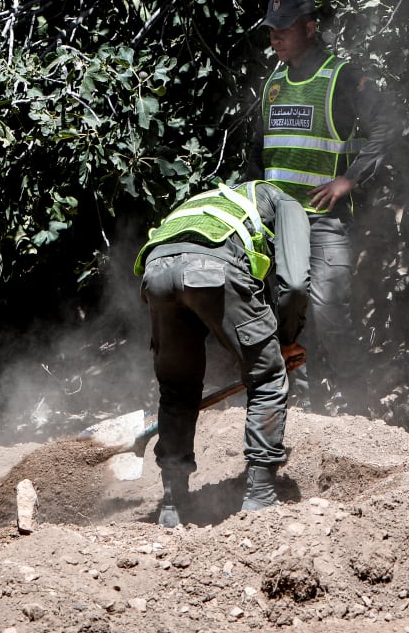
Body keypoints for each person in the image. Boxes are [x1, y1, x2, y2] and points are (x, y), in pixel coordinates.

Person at [248, 0, 397, 415]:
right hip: (278, 224)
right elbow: (258, 154)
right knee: (291, 319)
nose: (275, 37)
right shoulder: (273, 85)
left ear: (310, 28)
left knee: (332, 316)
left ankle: (359, 414)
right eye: (271, 31)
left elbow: (385, 127)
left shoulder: (342, 77)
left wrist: (348, 180)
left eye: (285, 29)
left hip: (325, 223)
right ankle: (302, 414)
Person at [133, 180, 310, 525]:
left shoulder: (212, 200)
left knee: (177, 389)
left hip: (155, 272)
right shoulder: (287, 203)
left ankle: (173, 503)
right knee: (268, 375)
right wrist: (287, 339)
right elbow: (296, 284)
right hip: (212, 267)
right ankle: (260, 496)